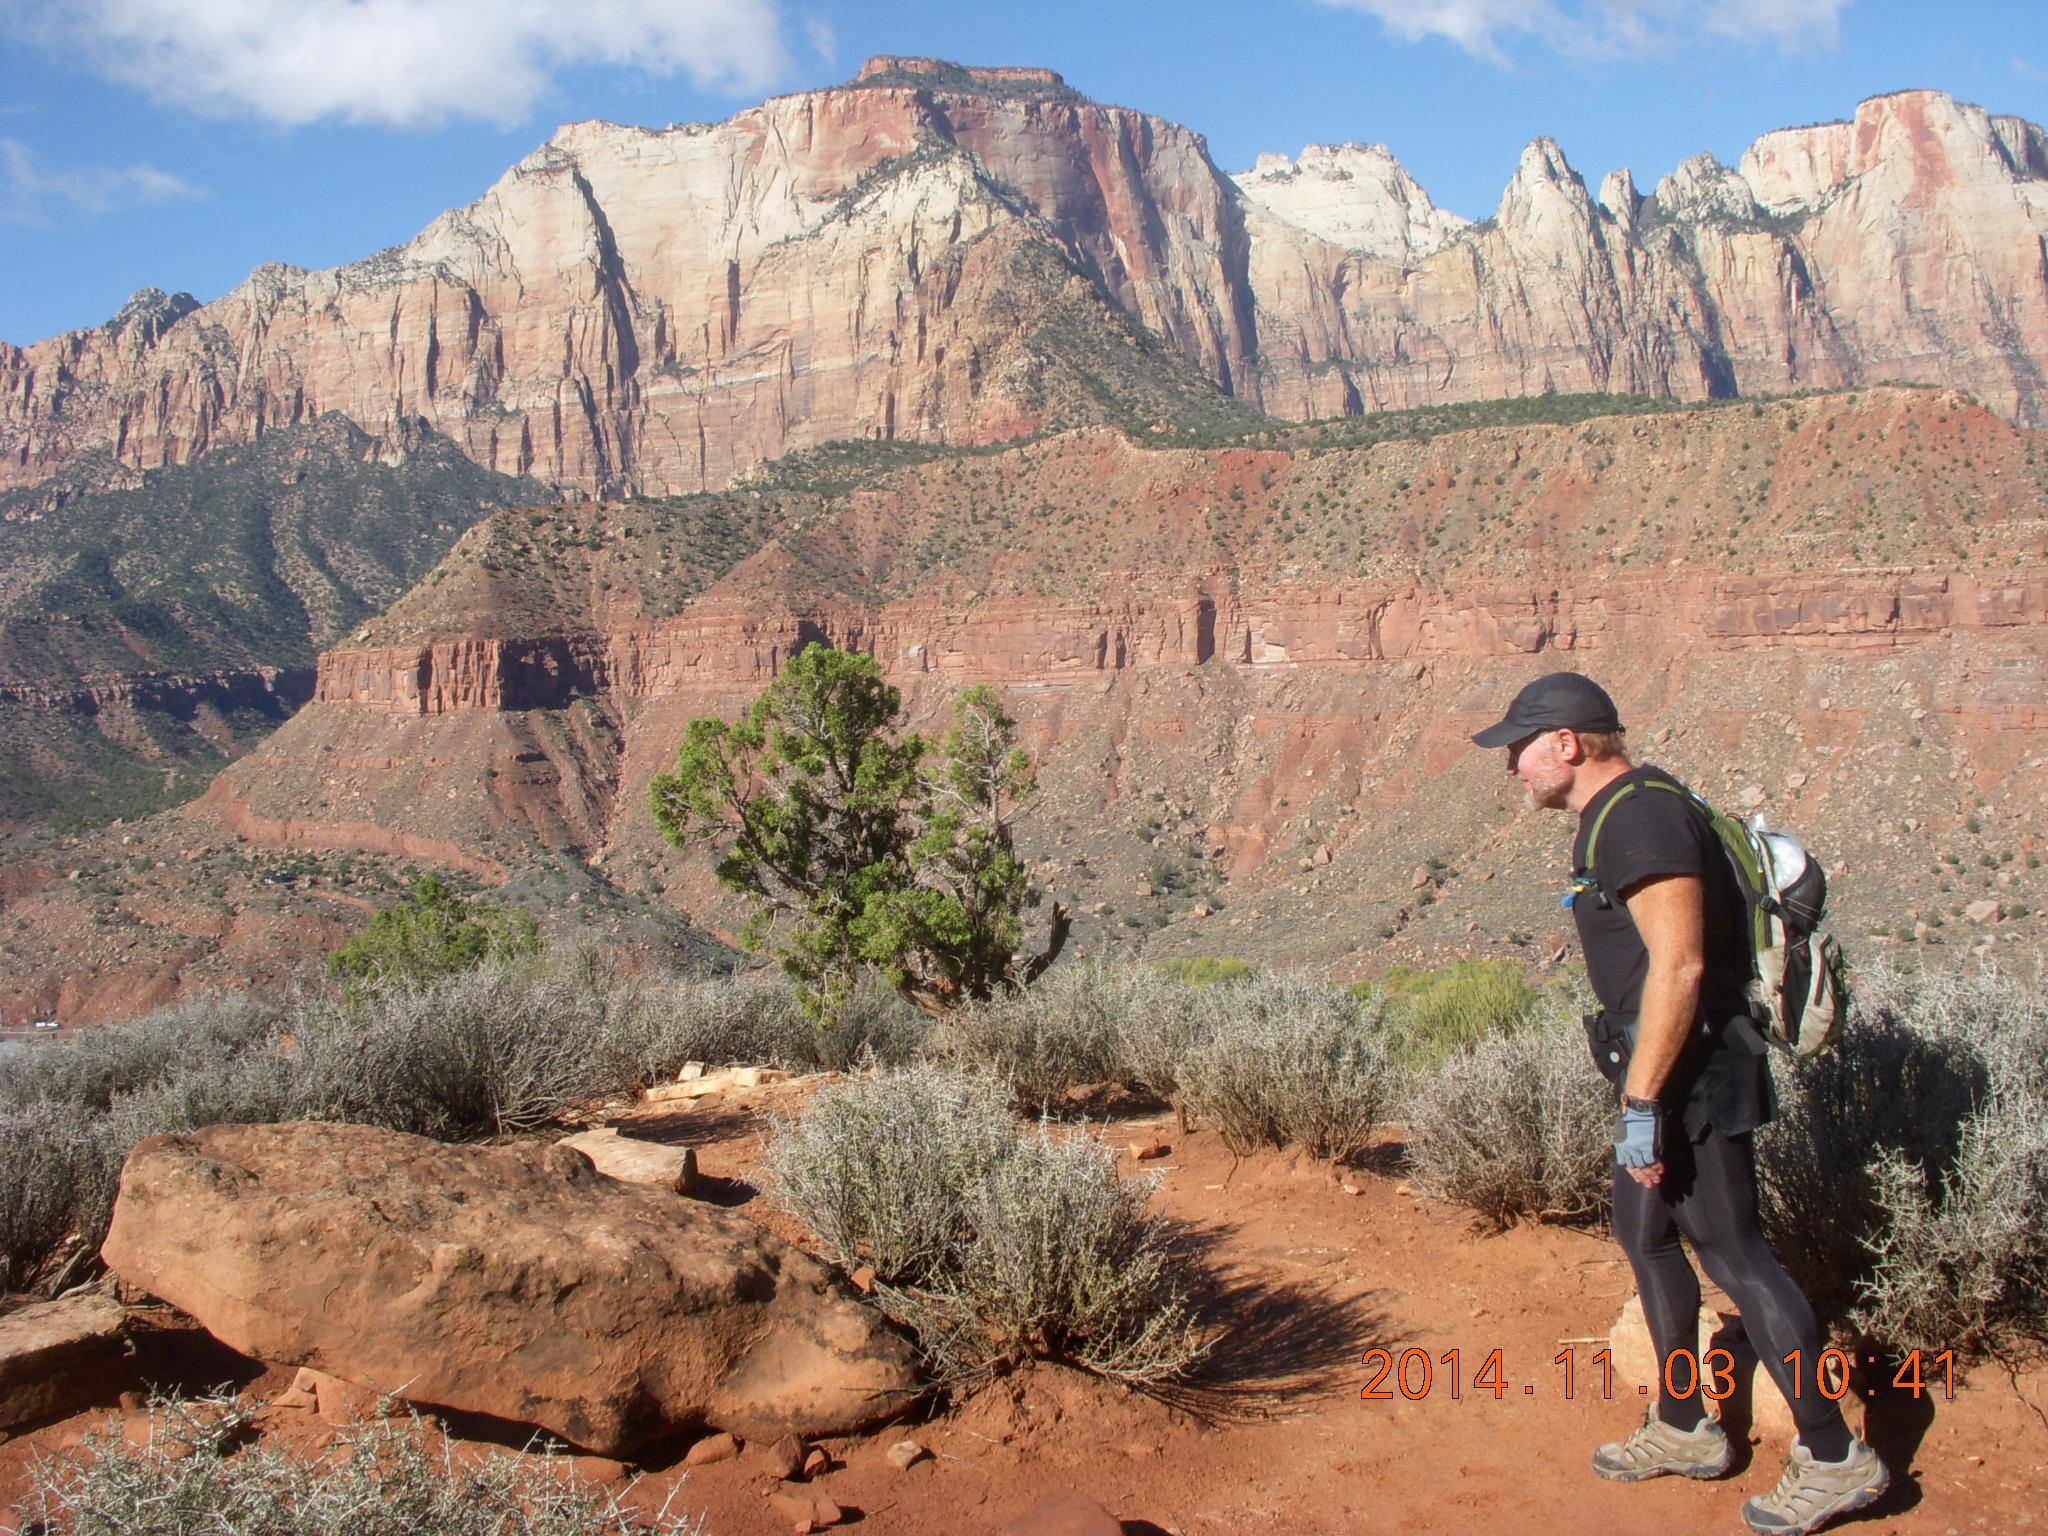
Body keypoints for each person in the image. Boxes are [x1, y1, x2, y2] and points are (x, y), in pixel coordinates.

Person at [1471, 672, 1888, 1536]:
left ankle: (1834, 1454)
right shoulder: (1618, 814)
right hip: (1660, 1075)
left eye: (1520, 748)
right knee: (1646, 1235)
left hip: (1690, 1080)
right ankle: (1684, 1424)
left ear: (1568, 743)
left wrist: (1642, 1107)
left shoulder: (1641, 818)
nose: (1511, 766)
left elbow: (1682, 966)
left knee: (1735, 1254)